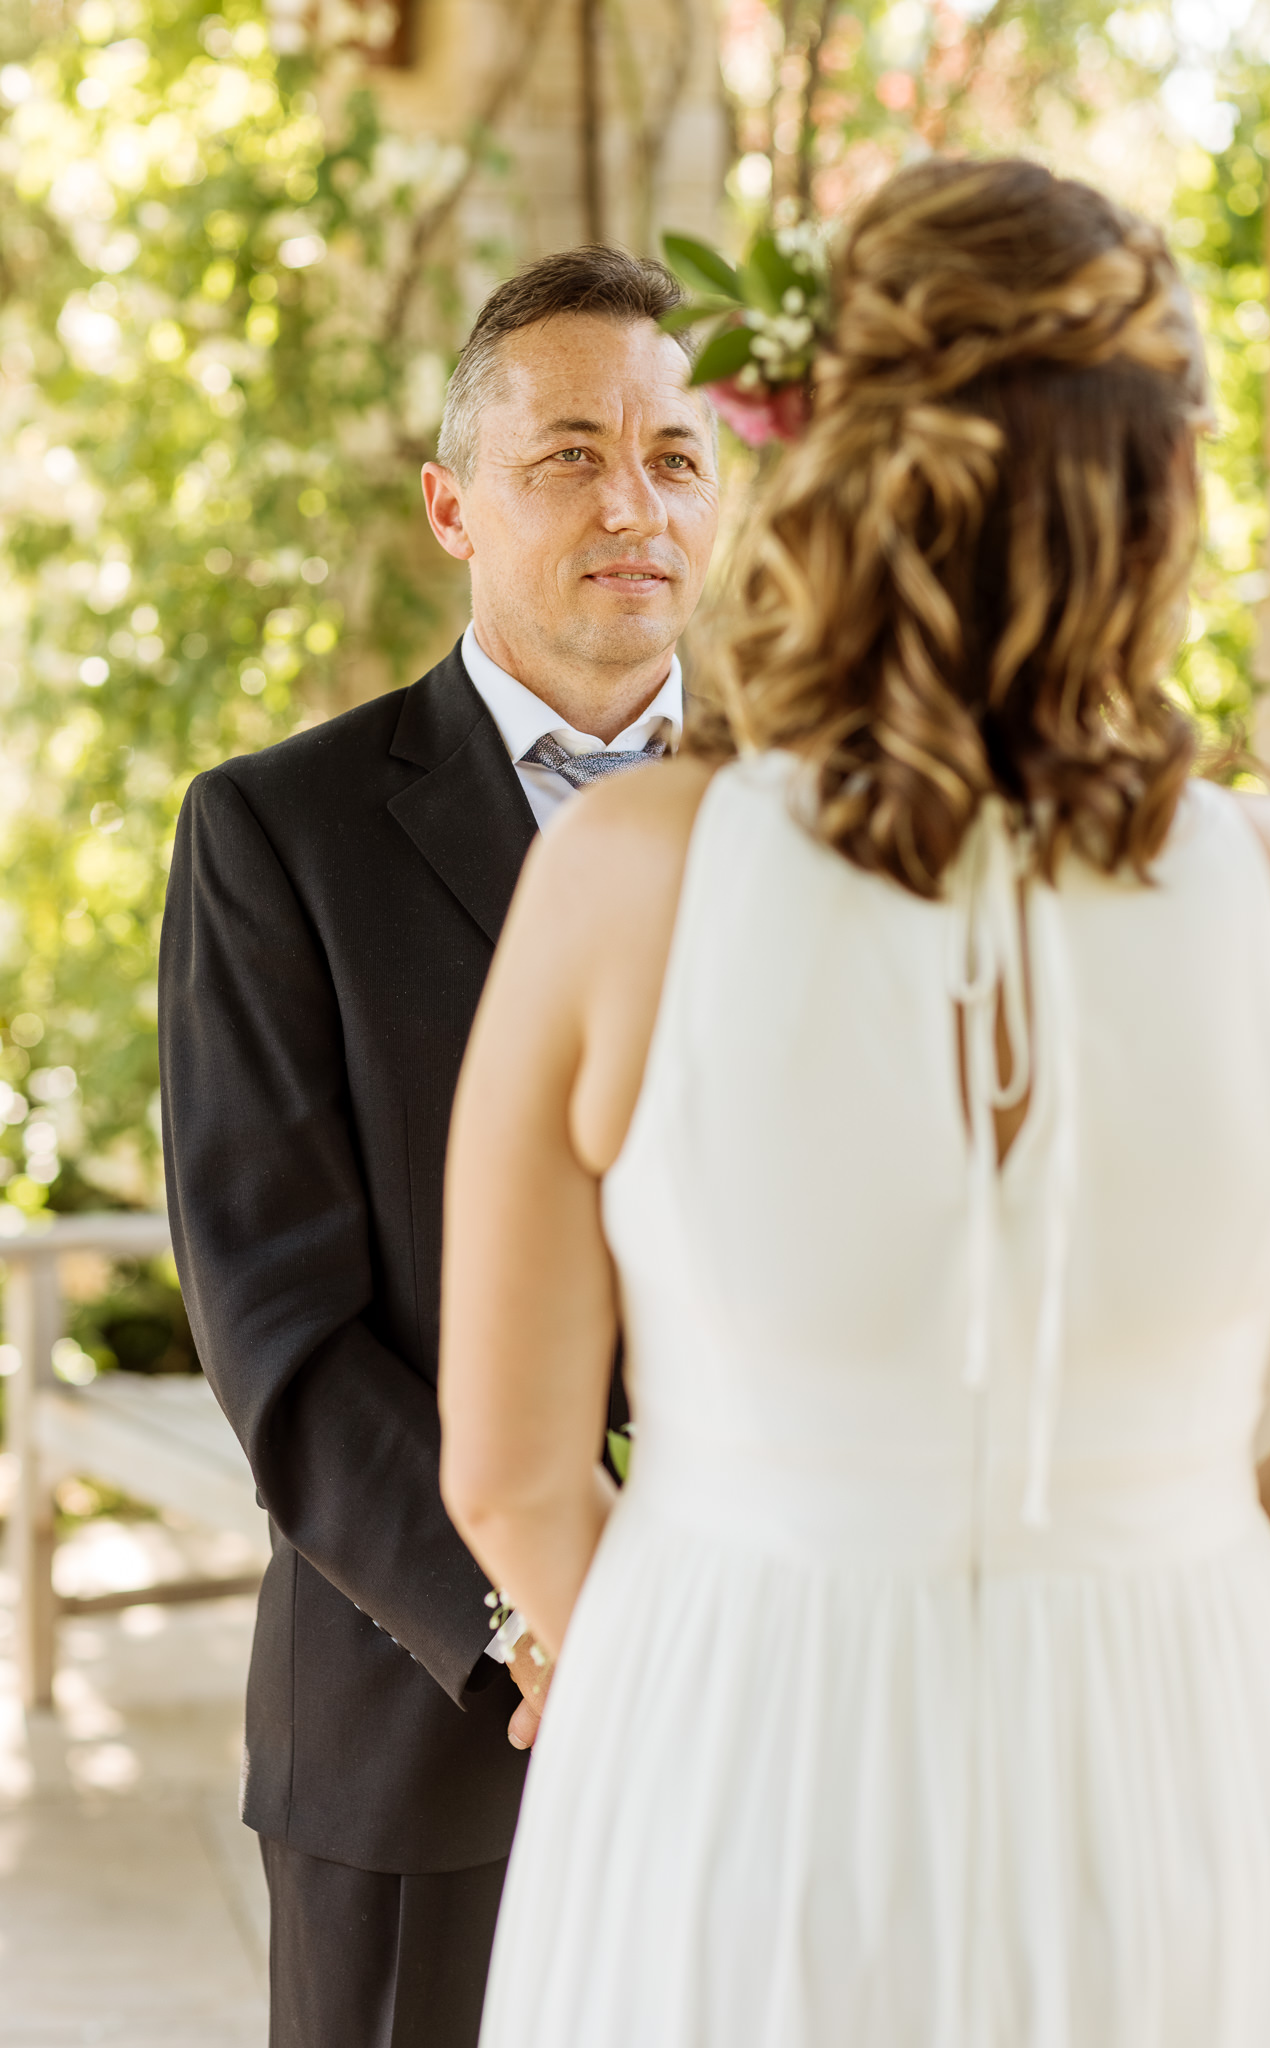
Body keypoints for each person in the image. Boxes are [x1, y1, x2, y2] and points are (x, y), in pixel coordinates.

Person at [439, 161, 1270, 2045]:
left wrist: (705, 1669)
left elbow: (508, 1474)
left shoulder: (632, 874)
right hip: (1188, 1764)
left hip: (723, 1759)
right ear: (1160, 485)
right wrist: (1137, 1640)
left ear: (825, 451)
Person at [158, 245, 719, 2048]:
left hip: (788, 1695)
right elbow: (281, 1332)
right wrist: (556, 1614)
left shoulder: (841, 816)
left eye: (675, 455)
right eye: (567, 454)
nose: (630, 502)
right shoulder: (279, 837)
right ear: (452, 506)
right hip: (436, 1725)